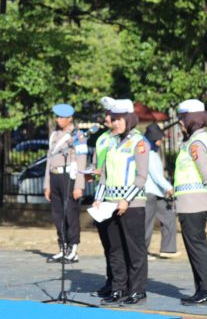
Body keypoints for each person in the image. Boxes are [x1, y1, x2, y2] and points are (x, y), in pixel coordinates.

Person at [93, 98, 149, 306]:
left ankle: (137, 290)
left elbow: (141, 177)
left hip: (132, 205)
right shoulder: (111, 142)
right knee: (115, 250)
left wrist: (126, 199)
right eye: (113, 119)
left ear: (129, 119)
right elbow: (104, 175)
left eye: (118, 119)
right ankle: (119, 288)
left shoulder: (139, 142)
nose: (114, 123)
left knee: (134, 250)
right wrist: (99, 198)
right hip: (110, 204)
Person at [174, 100, 207, 306]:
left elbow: (206, 173)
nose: (180, 122)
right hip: (189, 202)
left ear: (191, 119)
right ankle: (202, 289)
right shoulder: (195, 140)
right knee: (195, 247)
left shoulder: (196, 142)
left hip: (193, 203)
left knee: (196, 247)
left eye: (182, 118)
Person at [44, 103, 88, 264]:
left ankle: (73, 249)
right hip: (55, 176)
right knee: (58, 215)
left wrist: (79, 186)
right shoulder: (54, 135)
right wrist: (47, 184)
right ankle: (62, 247)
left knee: (71, 214)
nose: (58, 119)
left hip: (69, 177)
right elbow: (49, 160)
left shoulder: (78, 135)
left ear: (70, 118)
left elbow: (82, 161)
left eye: (61, 117)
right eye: (57, 117)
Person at [89, 96, 117, 298]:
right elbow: (97, 165)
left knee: (118, 245)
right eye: (106, 114)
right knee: (108, 245)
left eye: (110, 114)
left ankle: (122, 283)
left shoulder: (126, 139)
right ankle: (111, 280)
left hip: (119, 198)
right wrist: (92, 172)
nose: (107, 118)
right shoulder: (102, 139)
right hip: (102, 197)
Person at [143, 123, 179, 259]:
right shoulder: (147, 152)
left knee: (169, 216)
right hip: (149, 192)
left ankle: (168, 249)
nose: (161, 141)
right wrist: (169, 188)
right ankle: (142, 252)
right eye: (159, 139)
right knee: (147, 223)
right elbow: (156, 175)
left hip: (157, 192)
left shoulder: (153, 152)